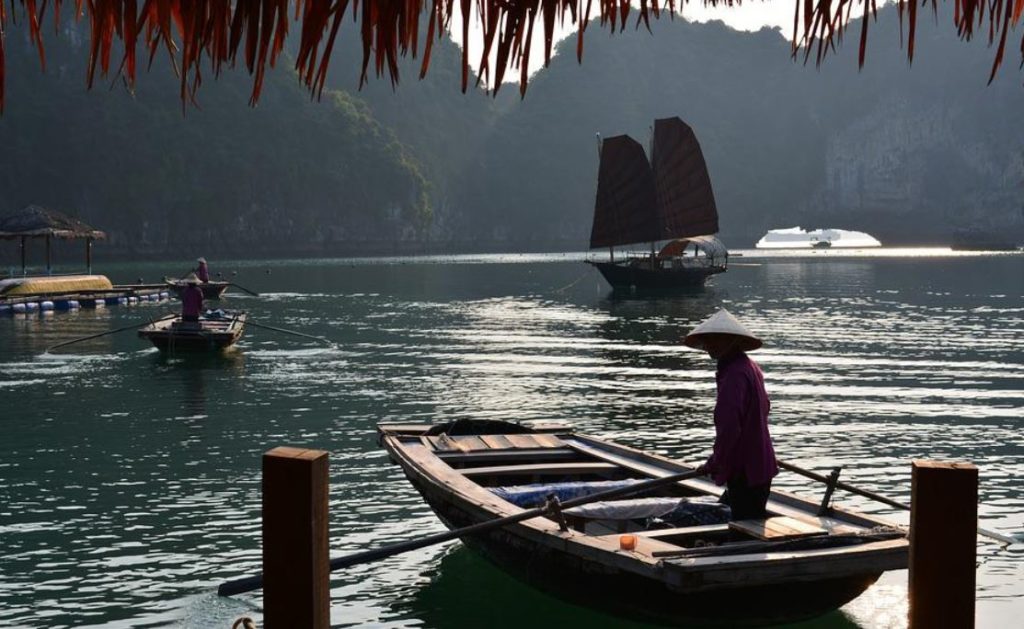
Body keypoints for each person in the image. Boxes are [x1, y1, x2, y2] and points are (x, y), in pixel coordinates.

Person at [685, 308, 778, 521]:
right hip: (760, 462)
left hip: (746, 468)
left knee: (745, 526)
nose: (708, 346)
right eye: (706, 341)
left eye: (714, 340)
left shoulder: (735, 374)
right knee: (751, 519)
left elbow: (729, 427)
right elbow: (764, 408)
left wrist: (714, 463)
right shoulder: (748, 367)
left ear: (731, 341)